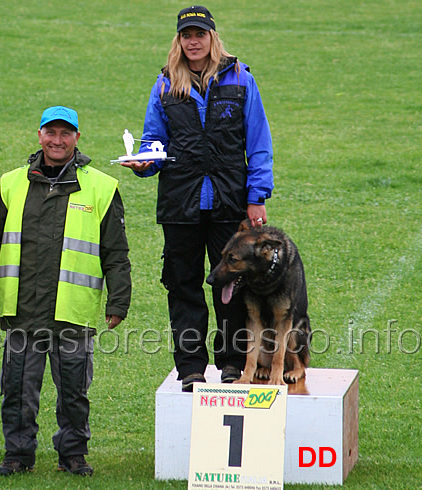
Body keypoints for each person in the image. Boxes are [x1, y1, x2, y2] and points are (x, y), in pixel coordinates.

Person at [121, 6, 274, 391]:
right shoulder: (164, 85)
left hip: (228, 202)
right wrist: (145, 164)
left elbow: (258, 143)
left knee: (230, 285)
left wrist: (256, 197)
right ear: (179, 39)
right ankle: (190, 367)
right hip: (180, 205)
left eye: (199, 34)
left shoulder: (241, 79)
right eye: (186, 35)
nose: (193, 42)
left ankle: (230, 361)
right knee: (182, 285)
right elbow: (154, 142)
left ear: (212, 37)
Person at [0, 106, 131, 476]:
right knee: (16, 389)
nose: (58, 140)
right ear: (39, 135)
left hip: (72, 310)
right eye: (51, 132)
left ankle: (73, 454)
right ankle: (17, 455)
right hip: (21, 309)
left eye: (66, 134)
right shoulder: (11, 183)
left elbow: (116, 252)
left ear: (77, 138)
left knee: (74, 393)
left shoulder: (101, 187)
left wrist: (119, 301)